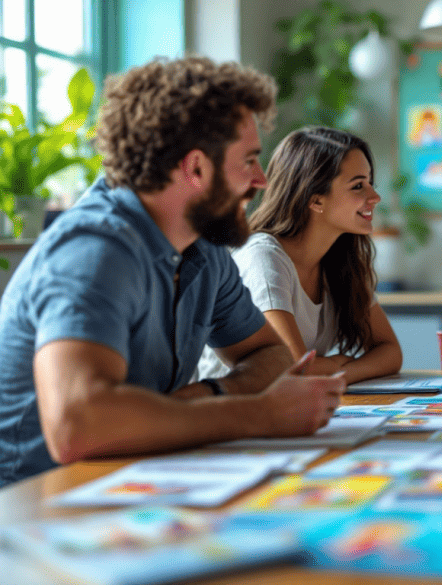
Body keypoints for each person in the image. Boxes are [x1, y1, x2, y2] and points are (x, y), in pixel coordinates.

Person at [0, 57, 346, 488]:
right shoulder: (94, 251)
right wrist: (260, 413)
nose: (260, 181)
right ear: (196, 168)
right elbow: (77, 427)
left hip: (132, 480)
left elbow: (272, 356)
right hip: (35, 501)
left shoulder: (202, 246)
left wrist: (209, 394)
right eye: (249, 161)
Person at [197, 127, 402, 382]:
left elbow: (391, 352)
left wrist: (335, 371)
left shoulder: (341, 260)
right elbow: (295, 369)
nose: (375, 197)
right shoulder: (264, 259)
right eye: (358, 186)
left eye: (370, 183)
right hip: (233, 404)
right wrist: (337, 364)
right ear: (316, 200)